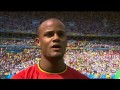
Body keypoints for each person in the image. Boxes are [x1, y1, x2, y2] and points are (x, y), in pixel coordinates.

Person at [11, 18, 89, 79]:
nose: (56, 38)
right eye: (49, 34)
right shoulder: (22, 77)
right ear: (38, 42)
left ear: (66, 41)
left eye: (61, 34)